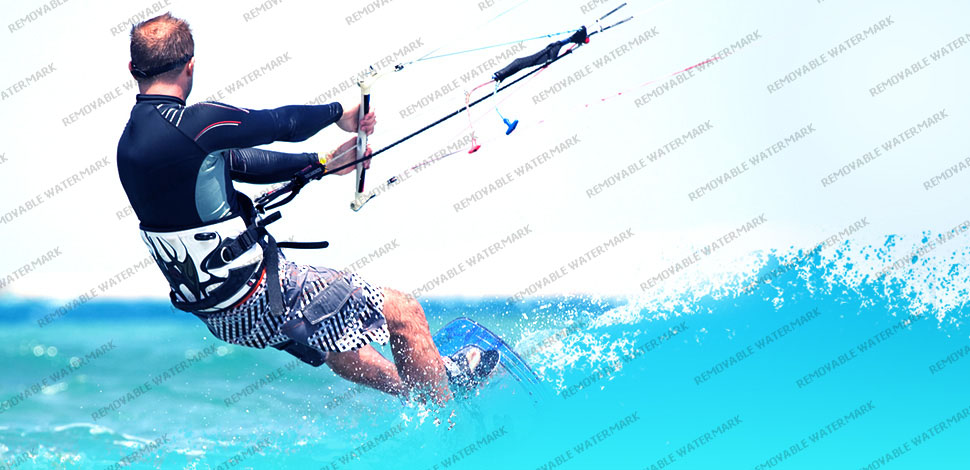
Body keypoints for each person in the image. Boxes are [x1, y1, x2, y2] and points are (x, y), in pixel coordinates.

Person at [116, 13, 495, 404]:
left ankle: (428, 384)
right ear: (190, 65)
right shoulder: (195, 124)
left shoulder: (129, 146)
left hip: (222, 316)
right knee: (404, 312)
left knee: (338, 340)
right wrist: (339, 113)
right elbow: (280, 123)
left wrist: (323, 163)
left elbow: (238, 162)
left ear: (132, 68)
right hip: (259, 295)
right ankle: (447, 418)